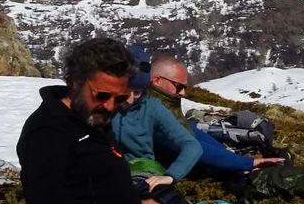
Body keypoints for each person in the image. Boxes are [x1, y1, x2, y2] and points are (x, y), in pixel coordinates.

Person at [16, 36, 304, 204]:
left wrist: (133, 202)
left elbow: (91, 182)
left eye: (118, 98)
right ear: (76, 81)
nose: (109, 106)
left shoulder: (90, 118)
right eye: (101, 95)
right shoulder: (48, 131)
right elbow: (48, 197)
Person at [112, 52, 283, 182]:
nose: (183, 93)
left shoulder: (155, 105)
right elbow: (192, 147)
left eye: (137, 92)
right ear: (156, 81)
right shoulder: (149, 109)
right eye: (178, 87)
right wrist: (244, 164)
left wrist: (238, 161)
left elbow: (189, 135)